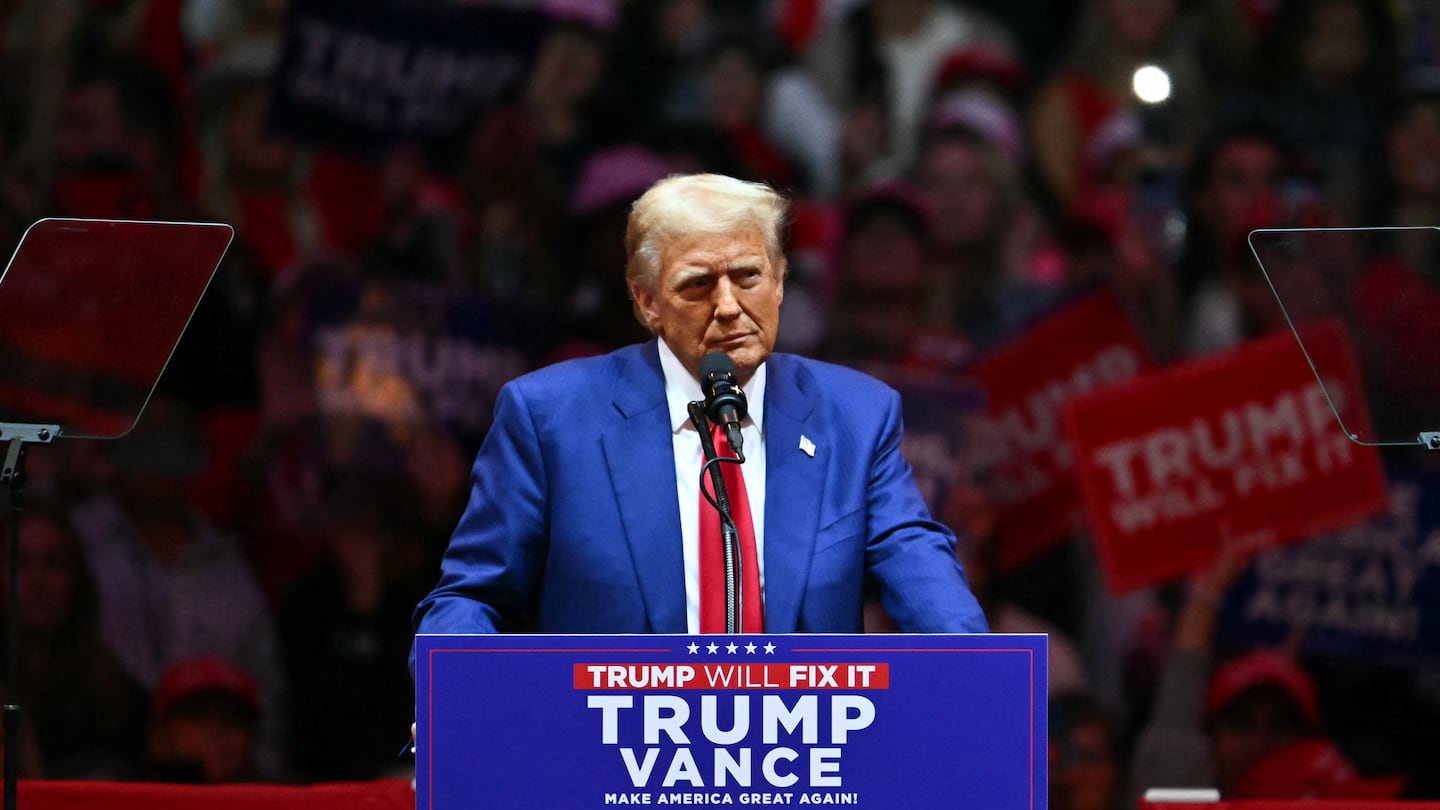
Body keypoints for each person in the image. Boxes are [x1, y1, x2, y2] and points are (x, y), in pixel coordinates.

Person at [412, 172, 987, 639]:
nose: (730, 306)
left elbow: (922, 576)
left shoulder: (856, 418)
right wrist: (458, 696)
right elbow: (473, 596)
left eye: (749, 276)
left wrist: (982, 678)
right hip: (611, 762)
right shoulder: (549, 418)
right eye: (697, 284)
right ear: (648, 301)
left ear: (782, 282)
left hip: (803, 765)